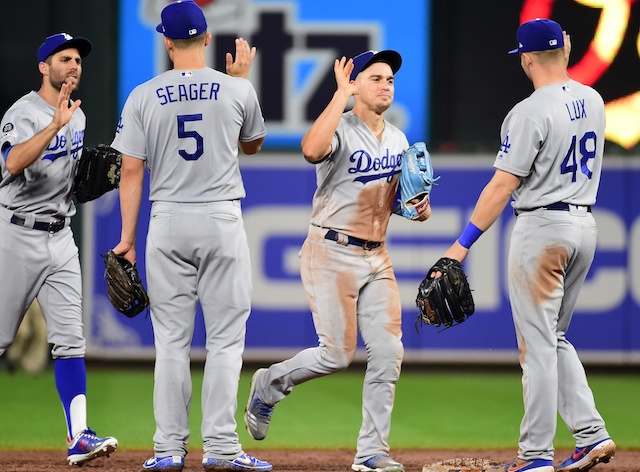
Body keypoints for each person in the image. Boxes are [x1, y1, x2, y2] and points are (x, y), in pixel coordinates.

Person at [435, 18, 615, 472]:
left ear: (526, 59)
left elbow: (502, 185)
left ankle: (535, 456)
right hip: (585, 227)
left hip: (543, 228)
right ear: (567, 49)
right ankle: (592, 434)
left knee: (535, 346)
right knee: (553, 338)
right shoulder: (593, 99)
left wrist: (461, 245)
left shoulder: (528, 112)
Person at [245, 49, 426, 472]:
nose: (386, 85)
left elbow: (406, 203)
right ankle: (269, 383)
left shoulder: (399, 140)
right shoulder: (340, 127)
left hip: (377, 256)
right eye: (377, 78)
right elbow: (310, 149)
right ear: (356, 84)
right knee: (336, 356)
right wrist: (339, 97)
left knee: (388, 353)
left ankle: (371, 453)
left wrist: (417, 206)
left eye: (391, 80)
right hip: (331, 250)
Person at [109, 1, 270, 471]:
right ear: (206, 39)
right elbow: (253, 144)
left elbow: (132, 170)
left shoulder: (143, 94)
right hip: (220, 219)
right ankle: (220, 449)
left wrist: (127, 239)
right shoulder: (235, 89)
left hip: (168, 220)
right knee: (224, 342)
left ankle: (167, 451)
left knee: (171, 344)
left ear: (166, 41)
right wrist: (240, 80)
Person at [0, 33, 118, 466]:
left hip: (60, 236)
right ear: (43, 67)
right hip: (16, 235)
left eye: (78, 60)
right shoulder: (24, 113)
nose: (73, 65)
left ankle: (79, 436)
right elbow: (12, 163)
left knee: (71, 341)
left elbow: (70, 177)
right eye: (64, 58)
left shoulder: (79, 117)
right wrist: (53, 125)